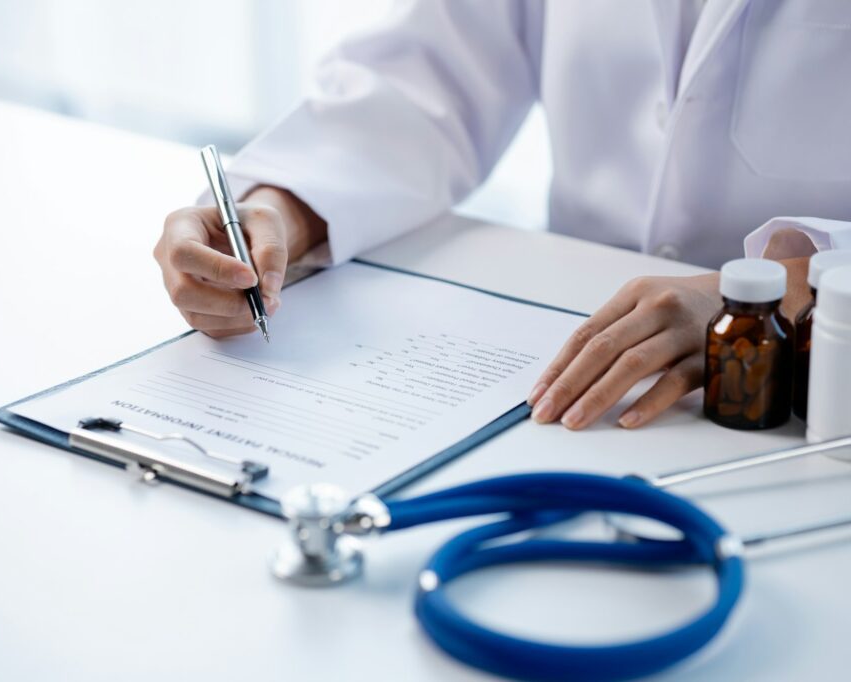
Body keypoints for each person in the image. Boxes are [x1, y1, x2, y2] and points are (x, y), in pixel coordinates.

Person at [153, 0, 851, 430]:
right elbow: (430, 78)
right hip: (570, 357)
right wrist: (280, 208)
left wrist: (784, 295)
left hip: (806, 391)